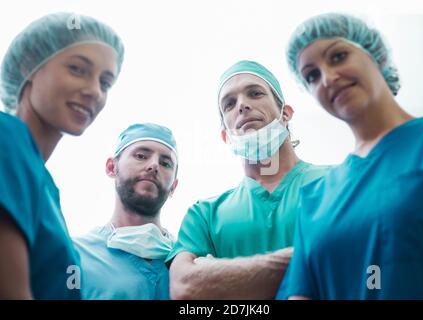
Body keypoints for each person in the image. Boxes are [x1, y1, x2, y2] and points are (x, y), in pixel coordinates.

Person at [277, 13, 423, 300]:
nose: (328, 78)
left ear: (376, 56)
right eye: (312, 76)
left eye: (339, 56)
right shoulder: (315, 200)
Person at [168, 60, 330, 299]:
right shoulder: (205, 216)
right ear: (225, 135)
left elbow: (372, 268)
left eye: (255, 93)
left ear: (285, 114)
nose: (242, 105)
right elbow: (185, 288)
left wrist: (217, 272)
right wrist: (317, 258)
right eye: (229, 104)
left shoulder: (339, 184)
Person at [0, 12, 124, 299]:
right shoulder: (7, 138)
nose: (94, 91)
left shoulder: (46, 186)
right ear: (28, 64)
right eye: (78, 69)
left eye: (105, 83)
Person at [74, 123, 178, 300]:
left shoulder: (187, 261)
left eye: (165, 163)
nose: (154, 165)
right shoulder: (75, 256)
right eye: (141, 156)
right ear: (111, 167)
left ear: (173, 187)